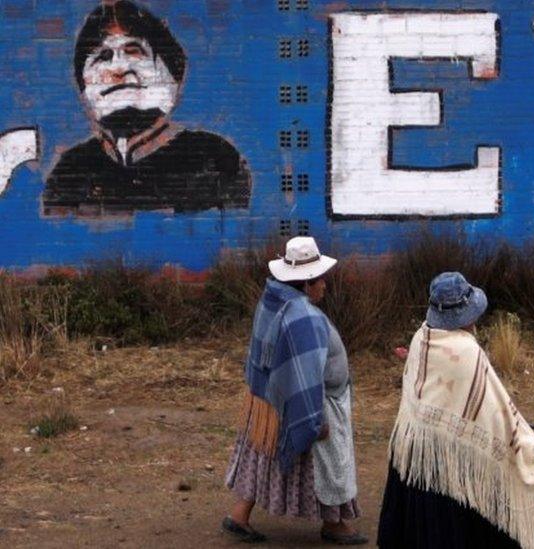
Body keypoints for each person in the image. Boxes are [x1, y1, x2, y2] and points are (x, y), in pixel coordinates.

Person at [377, 272, 534, 549]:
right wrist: (529, 449)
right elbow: (496, 414)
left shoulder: (422, 337)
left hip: (416, 460)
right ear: (468, 315)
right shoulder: (466, 351)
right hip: (447, 470)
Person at [44, 0, 251, 216]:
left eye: (134, 51)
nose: (118, 69)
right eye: (103, 57)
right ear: (85, 88)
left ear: (172, 75)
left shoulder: (215, 158)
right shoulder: (70, 170)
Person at [222, 236, 367, 545]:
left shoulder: (273, 300)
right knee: (328, 462)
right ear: (306, 283)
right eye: (319, 279)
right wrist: (314, 420)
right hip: (306, 399)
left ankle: (239, 514)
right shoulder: (303, 317)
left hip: (270, 398)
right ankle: (336, 524)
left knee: (264, 453)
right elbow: (306, 377)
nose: (325, 284)